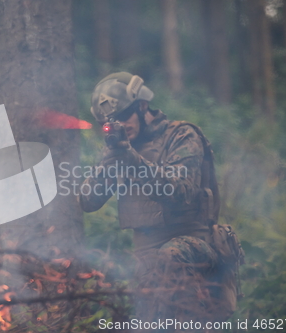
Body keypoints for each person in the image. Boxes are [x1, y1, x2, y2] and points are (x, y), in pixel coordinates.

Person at [78, 72, 224, 325]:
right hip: (146, 258)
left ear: (142, 106)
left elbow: (181, 192)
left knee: (170, 257)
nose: (122, 124)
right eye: (112, 121)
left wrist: (133, 162)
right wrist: (109, 159)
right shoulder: (120, 148)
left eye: (124, 116)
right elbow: (88, 201)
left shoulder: (181, 136)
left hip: (194, 246)